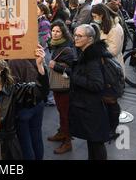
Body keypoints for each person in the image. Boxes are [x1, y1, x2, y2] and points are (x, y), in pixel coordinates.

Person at [70, 24, 109, 160]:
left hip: (92, 108)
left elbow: (97, 84)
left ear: (90, 39)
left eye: (79, 36)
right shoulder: (87, 53)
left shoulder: (92, 58)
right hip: (89, 106)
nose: (75, 38)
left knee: (96, 143)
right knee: (93, 142)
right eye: (75, 35)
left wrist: (74, 77)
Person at [91, 4, 124, 140]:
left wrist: (94, 50)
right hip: (102, 68)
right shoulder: (104, 26)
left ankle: (113, 128)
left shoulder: (115, 29)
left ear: (102, 15)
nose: (94, 19)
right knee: (105, 99)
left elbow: (112, 51)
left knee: (111, 100)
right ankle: (107, 125)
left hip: (111, 70)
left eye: (95, 16)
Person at [45, 20, 75, 154]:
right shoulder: (55, 45)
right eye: (53, 31)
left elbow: (71, 71)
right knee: (61, 112)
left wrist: (55, 66)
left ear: (63, 33)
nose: (55, 33)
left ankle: (67, 141)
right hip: (58, 86)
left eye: (58, 31)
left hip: (64, 88)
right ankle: (62, 132)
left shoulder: (67, 49)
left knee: (65, 114)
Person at [8, 58, 46, 160]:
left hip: (24, 106)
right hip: (38, 103)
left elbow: (13, 87)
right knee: (36, 136)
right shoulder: (35, 57)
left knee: (25, 141)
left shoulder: (14, 61)